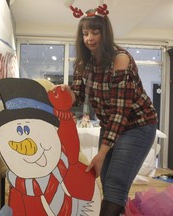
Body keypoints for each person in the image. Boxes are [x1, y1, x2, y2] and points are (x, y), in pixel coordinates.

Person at [61, 5, 158, 216]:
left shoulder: (120, 60)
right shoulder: (82, 63)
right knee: (106, 180)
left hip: (137, 125)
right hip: (111, 125)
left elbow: (119, 112)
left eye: (95, 32)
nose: (89, 38)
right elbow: (76, 97)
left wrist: (101, 153)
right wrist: (66, 93)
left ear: (105, 33)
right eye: (85, 33)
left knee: (115, 183)